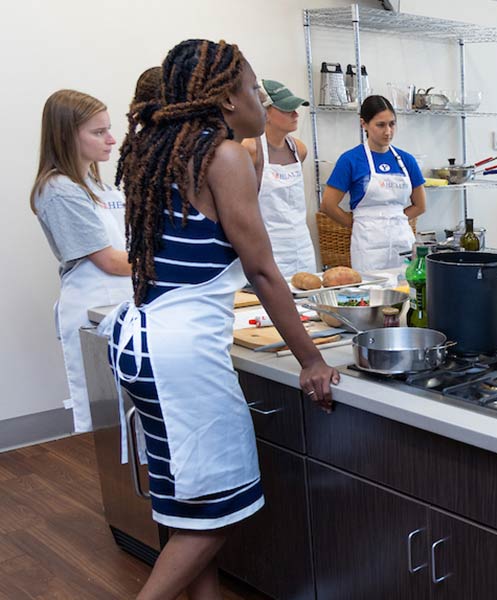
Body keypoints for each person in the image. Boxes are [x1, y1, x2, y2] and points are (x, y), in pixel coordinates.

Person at [104, 39, 339, 600]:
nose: (262, 99)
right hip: (180, 357)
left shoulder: (158, 149)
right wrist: (311, 359)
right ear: (228, 101)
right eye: (255, 89)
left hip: (137, 340)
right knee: (222, 515)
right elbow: (261, 270)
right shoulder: (224, 155)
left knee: (192, 511)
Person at [31, 90, 132, 433]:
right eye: (98, 132)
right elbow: (109, 260)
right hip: (94, 312)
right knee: (109, 424)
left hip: (121, 306)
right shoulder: (59, 190)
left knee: (132, 419)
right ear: (66, 135)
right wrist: (169, 261)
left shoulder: (97, 186)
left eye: (109, 129)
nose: (112, 139)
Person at [320, 95, 426, 271]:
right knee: (372, 295)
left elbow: (420, 205)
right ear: (364, 124)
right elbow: (328, 205)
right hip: (368, 245)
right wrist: (360, 223)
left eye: (392, 124)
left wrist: (394, 219)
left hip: (403, 242)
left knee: (408, 291)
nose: (388, 131)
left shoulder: (407, 160)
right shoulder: (351, 160)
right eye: (380, 125)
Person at [241, 79, 316, 276]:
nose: (295, 114)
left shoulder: (299, 150)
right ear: (266, 113)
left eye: (296, 108)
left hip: (303, 247)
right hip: (269, 248)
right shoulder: (250, 149)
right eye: (287, 110)